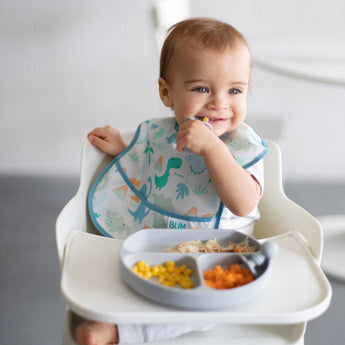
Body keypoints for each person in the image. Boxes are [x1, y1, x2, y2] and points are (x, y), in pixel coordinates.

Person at [76, 17, 268, 345]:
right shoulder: (163, 133)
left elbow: (244, 202)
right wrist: (125, 149)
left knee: (212, 309)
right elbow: (155, 163)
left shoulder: (243, 146)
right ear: (167, 92)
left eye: (235, 90)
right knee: (127, 279)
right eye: (201, 89)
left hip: (220, 253)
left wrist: (211, 148)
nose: (220, 103)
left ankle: (122, 332)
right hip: (157, 242)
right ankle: (113, 308)